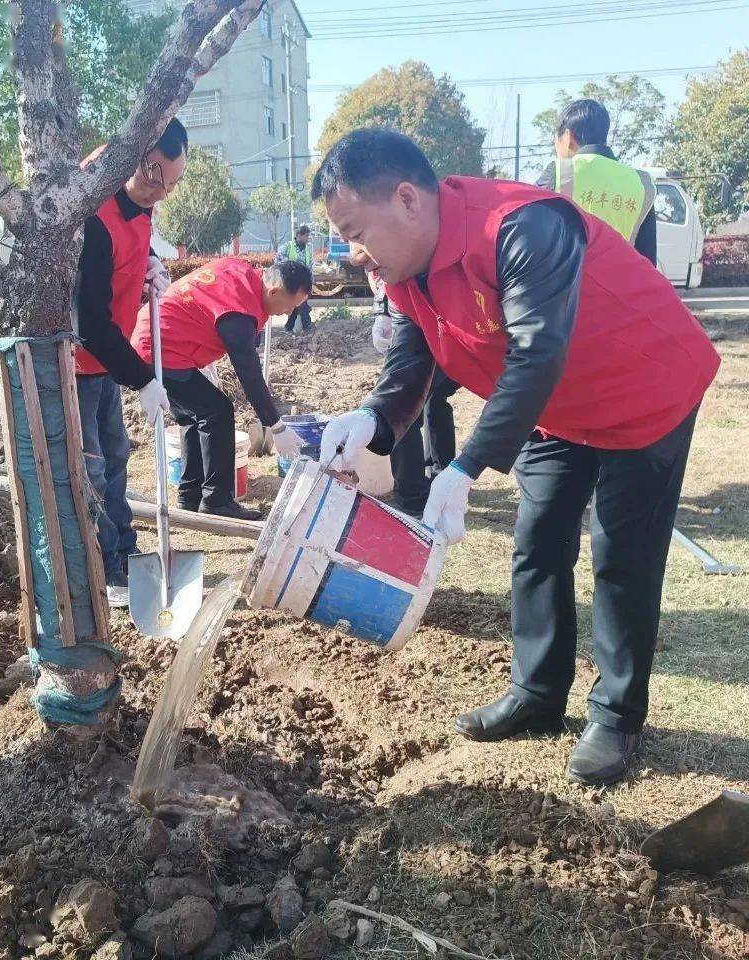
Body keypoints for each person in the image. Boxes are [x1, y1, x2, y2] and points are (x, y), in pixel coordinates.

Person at [314, 128, 719, 786]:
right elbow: (414, 357)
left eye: (356, 230)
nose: (352, 254)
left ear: (409, 199)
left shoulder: (522, 227)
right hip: (560, 410)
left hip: (645, 387)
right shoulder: (408, 273)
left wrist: (467, 465)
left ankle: (616, 716)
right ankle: (537, 693)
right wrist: (372, 417)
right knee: (538, 540)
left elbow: (538, 354)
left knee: (622, 555)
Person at [73, 118, 187, 608]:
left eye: (173, 185)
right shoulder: (91, 215)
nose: (162, 195)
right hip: (75, 365)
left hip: (104, 364)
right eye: (158, 181)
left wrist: (149, 266)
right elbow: (90, 323)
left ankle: (123, 548)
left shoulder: (141, 203)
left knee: (117, 455)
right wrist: (142, 378)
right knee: (93, 469)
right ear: (139, 160)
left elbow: (128, 254)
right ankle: (104, 567)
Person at [131, 256, 311, 520]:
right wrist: (275, 425)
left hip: (156, 337)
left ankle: (190, 496)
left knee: (193, 417)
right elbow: (249, 373)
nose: (288, 313)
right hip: (161, 348)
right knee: (218, 412)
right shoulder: (239, 310)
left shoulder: (242, 273)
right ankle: (217, 500)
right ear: (274, 290)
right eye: (289, 306)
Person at [370, 271, 460, 516]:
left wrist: (383, 314)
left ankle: (412, 498)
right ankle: (442, 477)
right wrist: (383, 313)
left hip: (431, 326)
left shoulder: (395, 251)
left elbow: (393, 277)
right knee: (435, 398)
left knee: (400, 409)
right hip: (441, 328)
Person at [536, 98, 657, 264]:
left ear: (568, 137)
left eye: (556, 142)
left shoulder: (558, 172)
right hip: (618, 287)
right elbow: (648, 261)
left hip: (570, 286)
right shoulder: (642, 183)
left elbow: (532, 238)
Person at [278, 224, 314, 332]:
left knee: (297, 304)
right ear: (299, 235)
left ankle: (289, 328)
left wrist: (311, 281)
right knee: (300, 303)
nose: (307, 239)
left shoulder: (307, 249)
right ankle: (307, 326)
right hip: (292, 281)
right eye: (306, 236)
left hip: (303, 282)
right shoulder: (288, 246)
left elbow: (311, 265)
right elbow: (279, 260)